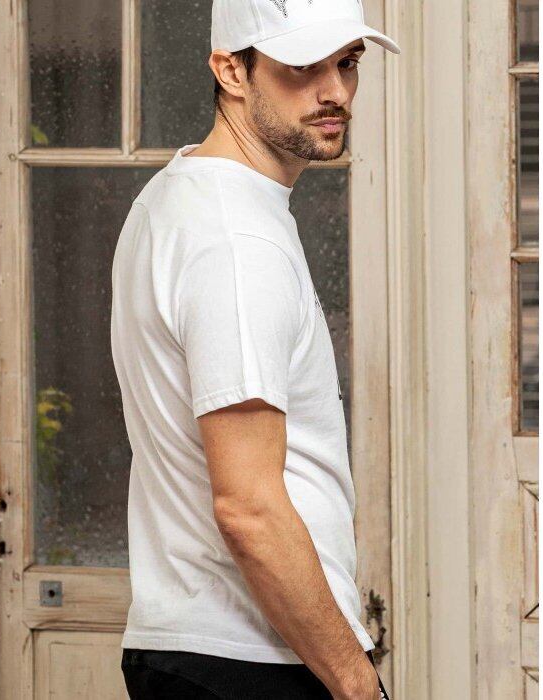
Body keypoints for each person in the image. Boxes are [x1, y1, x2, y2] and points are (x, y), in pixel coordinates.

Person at [110, 1, 400, 697]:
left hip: (205, 649)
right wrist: (357, 684)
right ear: (231, 71)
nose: (335, 91)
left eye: (347, 63)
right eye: (302, 67)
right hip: (249, 658)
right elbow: (248, 507)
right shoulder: (236, 241)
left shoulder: (176, 197)